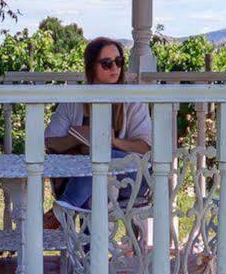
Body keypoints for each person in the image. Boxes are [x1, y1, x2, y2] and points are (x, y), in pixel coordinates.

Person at [46, 36, 151, 212]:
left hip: (133, 181)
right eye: (107, 63)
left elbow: (146, 148)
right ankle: (86, 236)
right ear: (91, 66)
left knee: (101, 158)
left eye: (119, 61)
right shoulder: (74, 102)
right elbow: (49, 142)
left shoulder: (132, 101)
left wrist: (113, 141)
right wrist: (77, 138)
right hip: (90, 182)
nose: (115, 68)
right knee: (98, 186)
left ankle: (61, 211)